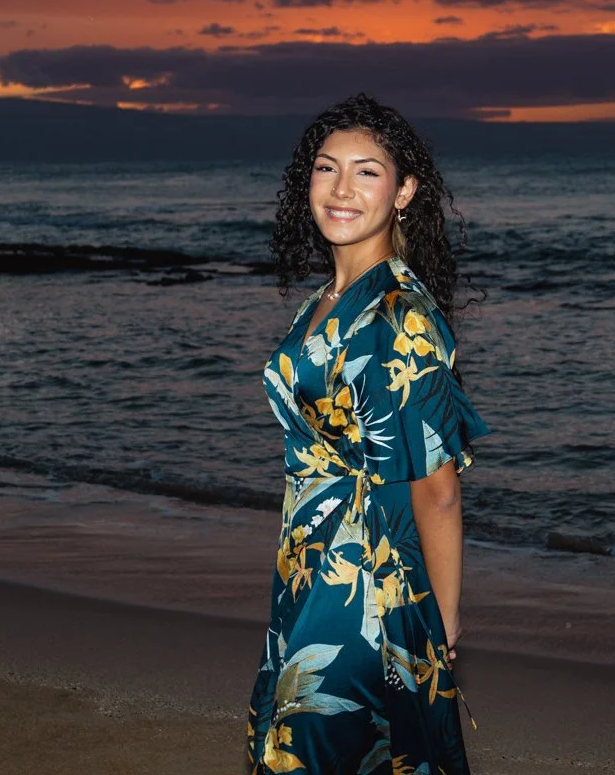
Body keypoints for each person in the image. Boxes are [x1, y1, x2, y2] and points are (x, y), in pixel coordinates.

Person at [245, 94, 490, 775]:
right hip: (308, 567)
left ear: (405, 190)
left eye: (367, 172)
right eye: (326, 169)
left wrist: (440, 623)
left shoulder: (398, 316)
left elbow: (437, 489)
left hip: (367, 590)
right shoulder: (322, 299)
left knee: (306, 752)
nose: (342, 189)